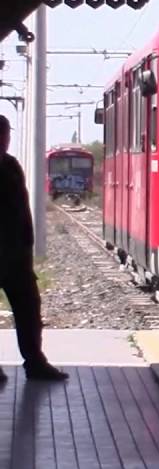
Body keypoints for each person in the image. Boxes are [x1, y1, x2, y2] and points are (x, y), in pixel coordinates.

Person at [0, 115, 69, 381]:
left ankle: (35, 362)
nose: (6, 141)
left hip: (16, 256)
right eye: (3, 136)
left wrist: (27, 248)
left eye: (6, 135)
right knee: (27, 306)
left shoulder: (12, 165)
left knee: (29, 308)